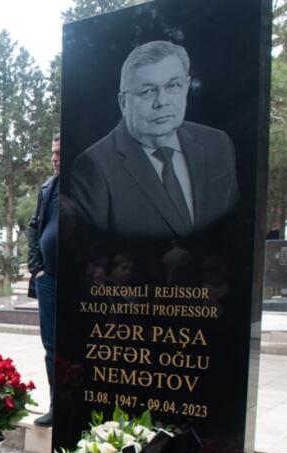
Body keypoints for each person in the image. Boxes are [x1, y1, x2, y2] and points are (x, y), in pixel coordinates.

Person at [70, 41, 239, 239]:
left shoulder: (217, 144)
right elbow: (90, 250)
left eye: (173, 86)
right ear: (123, 103)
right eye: (148, 91)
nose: (162, 101)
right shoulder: (95, 167)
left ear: (186, 88)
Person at [27, 134, 60, 427]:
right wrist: (36, 268)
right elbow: (35, 225)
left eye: (60, 153)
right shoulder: (48, 186)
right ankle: (56, 405)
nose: (54, 158)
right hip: (48, 279)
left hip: (84, 282)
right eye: (53, 152)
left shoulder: (91, 182)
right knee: (52, 346)